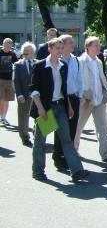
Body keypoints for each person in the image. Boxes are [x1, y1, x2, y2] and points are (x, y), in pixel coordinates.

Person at [30, 37, 88, 182]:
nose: (60, 51)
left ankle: (76, 171)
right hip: (46, 108)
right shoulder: (40, 65)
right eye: (57, 48)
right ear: (49, 49)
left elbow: (64, 88)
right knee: (40, 141)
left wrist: (68, 106)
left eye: (62, 48)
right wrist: (41, 109)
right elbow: (33, 88)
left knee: (67, 140)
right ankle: (38, 171)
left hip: (60, 106)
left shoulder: (63, 65)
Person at [74, 36, 107, 161]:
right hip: (86, 100)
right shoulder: (80, 61)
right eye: (95, 45)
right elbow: (77, 82)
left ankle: (106, 153)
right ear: (88, 47)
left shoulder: (99, 61)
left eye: (99, 44)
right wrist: (84, 97)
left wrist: (106, 93)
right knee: (78, 127)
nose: (99, 47)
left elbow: (101, 79)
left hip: (99, 99)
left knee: (102, 127)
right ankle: (73, 151)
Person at [53, 35, 82, 171]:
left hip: (74, 97)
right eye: (70, 43)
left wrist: (79, 95)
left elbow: (80, 79)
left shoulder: (76, 60)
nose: (73, 45)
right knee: (60, 130)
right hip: (61, 99)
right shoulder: (57, 61)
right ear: (63, 45)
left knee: (72, 129)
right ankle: (58, 157)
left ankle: (67, 157)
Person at [12, 41, 36, 146]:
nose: (25, 52)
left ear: (33, 52)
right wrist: (19, 95)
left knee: (43, 115)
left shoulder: (38, 63)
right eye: (24, 50)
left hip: (37, 95)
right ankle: (25, 137)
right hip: (24, 95)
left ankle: (41, 136)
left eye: (28, 50)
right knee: (23, 117)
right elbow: (15, 81)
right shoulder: (18, 64)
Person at [0, 38, 18, 125]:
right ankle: (1, 116)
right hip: (0, 80)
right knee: (1, 99)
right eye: (6, 44)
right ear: (3, 44)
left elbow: (17, 64)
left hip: (9, 80)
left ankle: (4, 117)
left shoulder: (12, 54)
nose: (8, 46)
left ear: (11, 45)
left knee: (7, 100)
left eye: (9, 44)